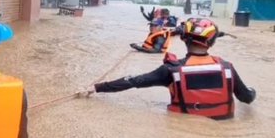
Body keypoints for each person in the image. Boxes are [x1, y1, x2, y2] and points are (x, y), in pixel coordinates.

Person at [84, 18, 256, 120]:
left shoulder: (171, 70)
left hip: (184, 131)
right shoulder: (227, 69)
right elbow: (246, 98)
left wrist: (96, 88)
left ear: (183, 39)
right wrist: (253, 92)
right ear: (211, 42)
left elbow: (132, 81)